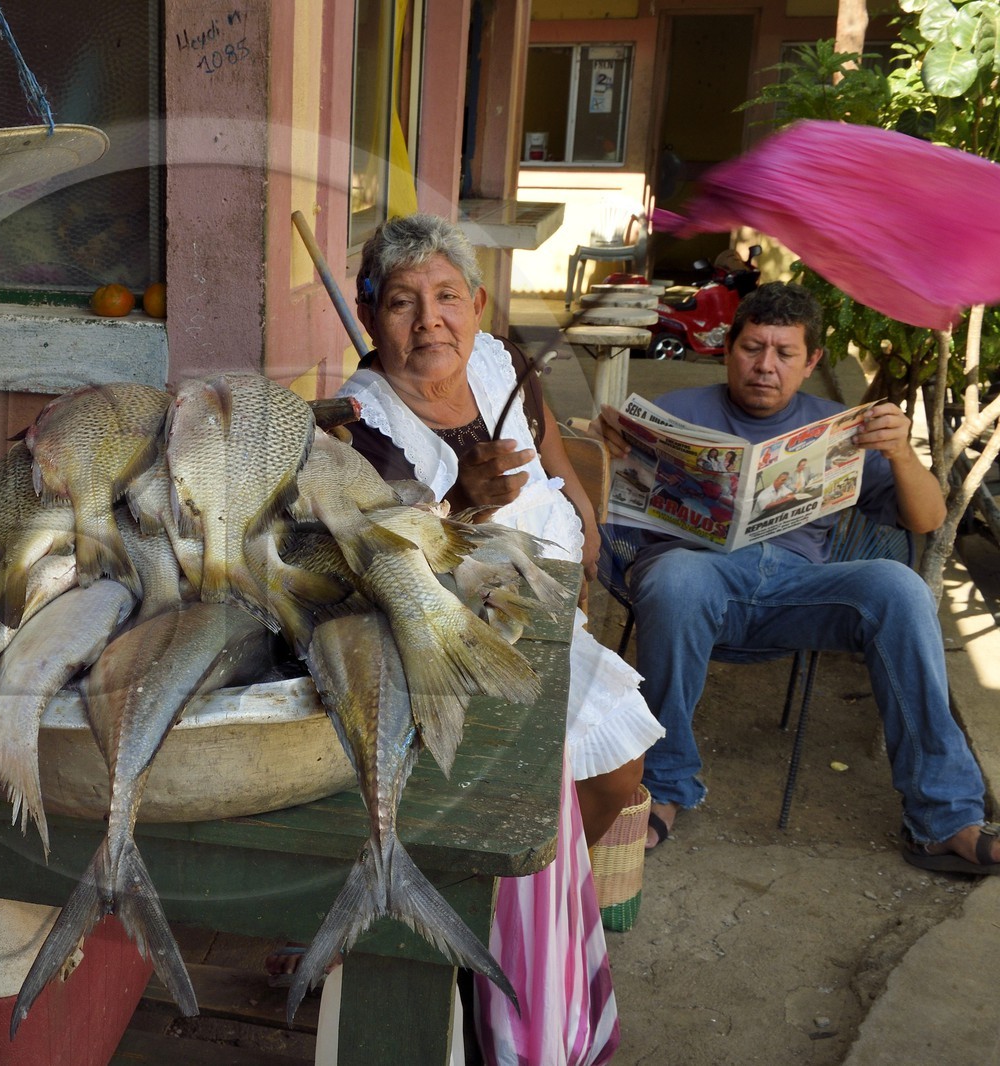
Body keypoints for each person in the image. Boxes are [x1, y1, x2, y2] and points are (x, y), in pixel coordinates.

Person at [336, 213, 665, 1065]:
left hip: (552, 610)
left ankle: (529, 908)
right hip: (454, 642)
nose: (429, 321)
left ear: (478, 304)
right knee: (552, 788)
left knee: (621, 775)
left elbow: (551, 452)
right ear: (371, 316)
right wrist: (460, 508)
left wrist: (584, 515)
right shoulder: (359, 424)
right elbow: (385, 572)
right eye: (402, 302)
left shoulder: (502, 360)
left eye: (447, 297)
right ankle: (496, 931)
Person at [591, 282, 1000, 876]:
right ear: (728, 349)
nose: (765, 366)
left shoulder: (841, 429)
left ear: (810, 362)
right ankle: (664, 783)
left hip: (796, 589)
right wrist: (603, 452)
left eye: (785, 354)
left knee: (900, 588)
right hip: (691, 580)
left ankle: (944, 820)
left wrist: (905, 455)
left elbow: (930, 520)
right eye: (753, 348)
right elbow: (597, 501)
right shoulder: (673, 412)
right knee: (678, 577)